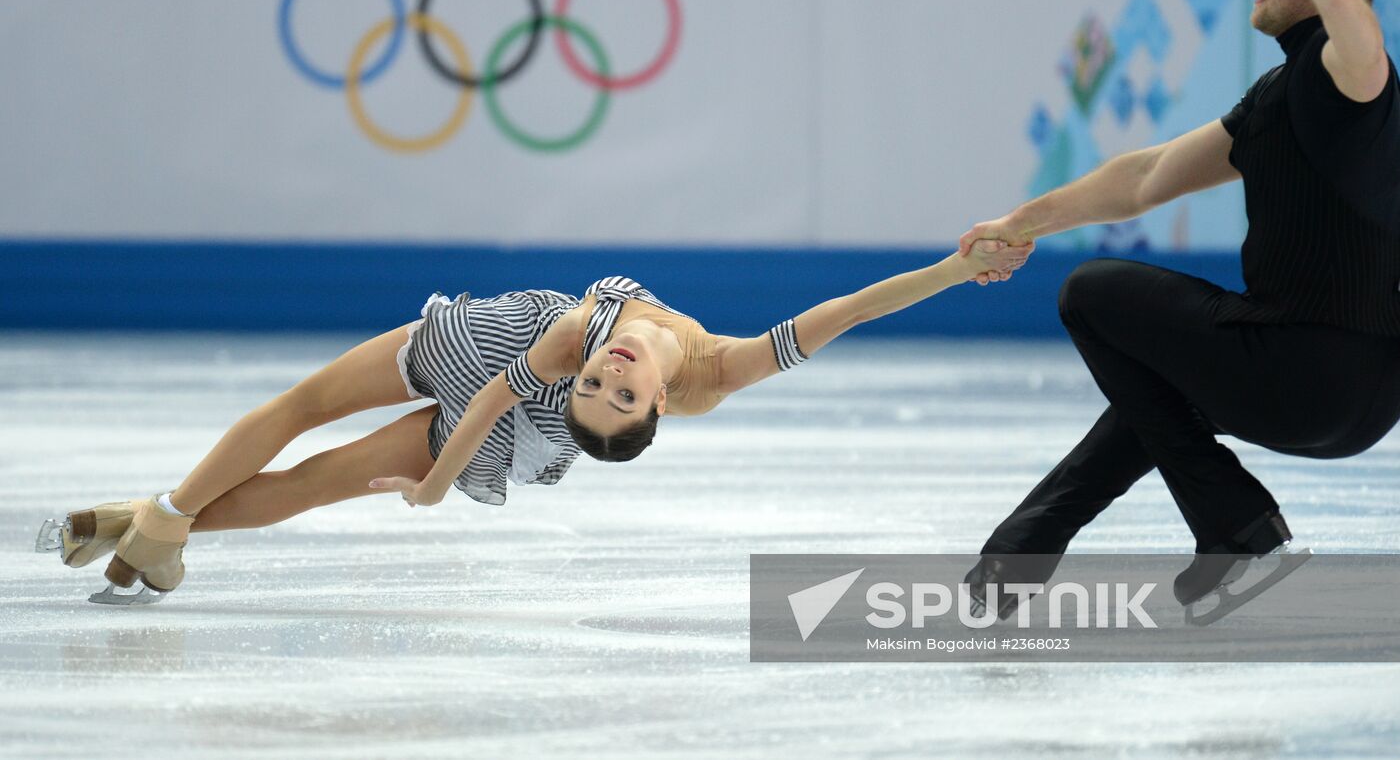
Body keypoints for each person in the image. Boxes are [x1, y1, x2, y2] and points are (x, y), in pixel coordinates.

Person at [37, 242, 1030, 604]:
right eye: (613, 379)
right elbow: (847, 314)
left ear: (649, 413)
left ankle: (160, 519)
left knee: (317, 472)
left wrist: (432, 483)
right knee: (299, 420)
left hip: (497, 401)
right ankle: (154, 523)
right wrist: (953, 267)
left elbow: (498, 404)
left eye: (612, 388)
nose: (614, 368)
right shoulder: (708, 366)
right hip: (490, 363)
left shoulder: (616, 355)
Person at [958, 0, 1400, 618]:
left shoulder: (1345, 77)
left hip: (1306, 370)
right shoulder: (1282, 92)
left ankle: (1236, 523)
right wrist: (1022, 221)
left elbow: (1364, 56)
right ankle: (1025, 547)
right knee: (1159, 384)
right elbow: (1145, 178)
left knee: (1093, 295)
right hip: (1359, 395)